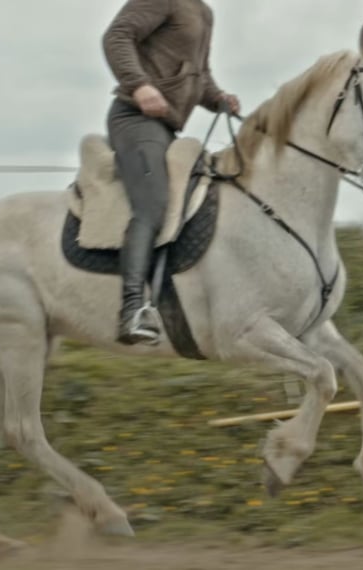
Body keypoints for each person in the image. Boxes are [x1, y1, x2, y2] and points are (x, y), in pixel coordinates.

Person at [102, 0, 240, 346]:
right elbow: (116, 36)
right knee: (154, 205)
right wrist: (139, 86)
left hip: (166, 129)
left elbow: (197, 74)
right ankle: (132, 310)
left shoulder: (203, 11)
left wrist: (218, 98)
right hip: (134, 119)